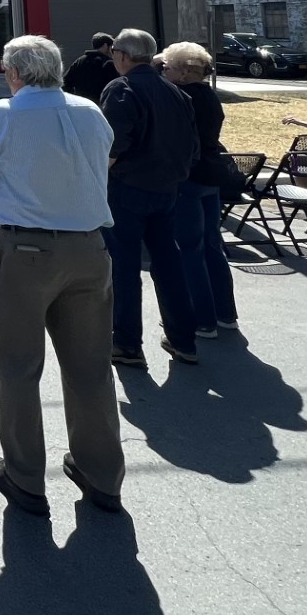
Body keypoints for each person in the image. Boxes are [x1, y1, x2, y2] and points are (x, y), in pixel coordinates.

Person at [0, 34, 124, 516]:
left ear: (13, 73)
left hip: (27, 249)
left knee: (20, 366)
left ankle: (26, 477)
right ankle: (102, 474)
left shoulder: (0, 114)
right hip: (90, 247)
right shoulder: (90, 111)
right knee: (90, 366)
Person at [98, 27, 199, 368]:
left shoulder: (121, 88)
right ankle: (184, 338)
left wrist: (98, 177)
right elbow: (192, 144)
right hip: (167, 187)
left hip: (128, 187)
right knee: (167, 261)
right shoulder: (175, 92)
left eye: (115, 54)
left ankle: (127, 343)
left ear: (123, 56)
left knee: (123, 266)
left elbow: (113, 144)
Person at [159, 42, 240, 339]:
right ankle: (225, 313)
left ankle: (200, 318)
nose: (163, 71)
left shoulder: (180, 98)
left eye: (166, 67)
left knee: (188, 250)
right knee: (211, 245)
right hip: (211, 173)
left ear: (181, 72)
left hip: (188, 177)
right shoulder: (210, 96)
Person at [62, 33, 117, 104]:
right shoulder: (108, 63)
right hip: (102, 106)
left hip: (81, 105)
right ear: (106, 46)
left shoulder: (80, 61)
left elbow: (65, 83)